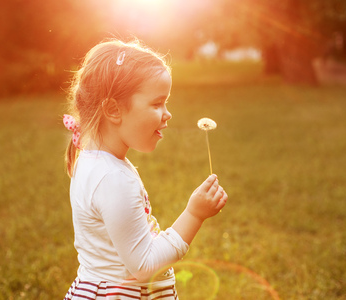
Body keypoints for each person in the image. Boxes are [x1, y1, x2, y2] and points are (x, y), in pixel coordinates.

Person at [62, 39, 228, 300]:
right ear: (113, 110)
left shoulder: (92, 161)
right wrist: (195, 214)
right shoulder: (113, 178)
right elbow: (144, 267)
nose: (167, 114)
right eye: (157, 103)